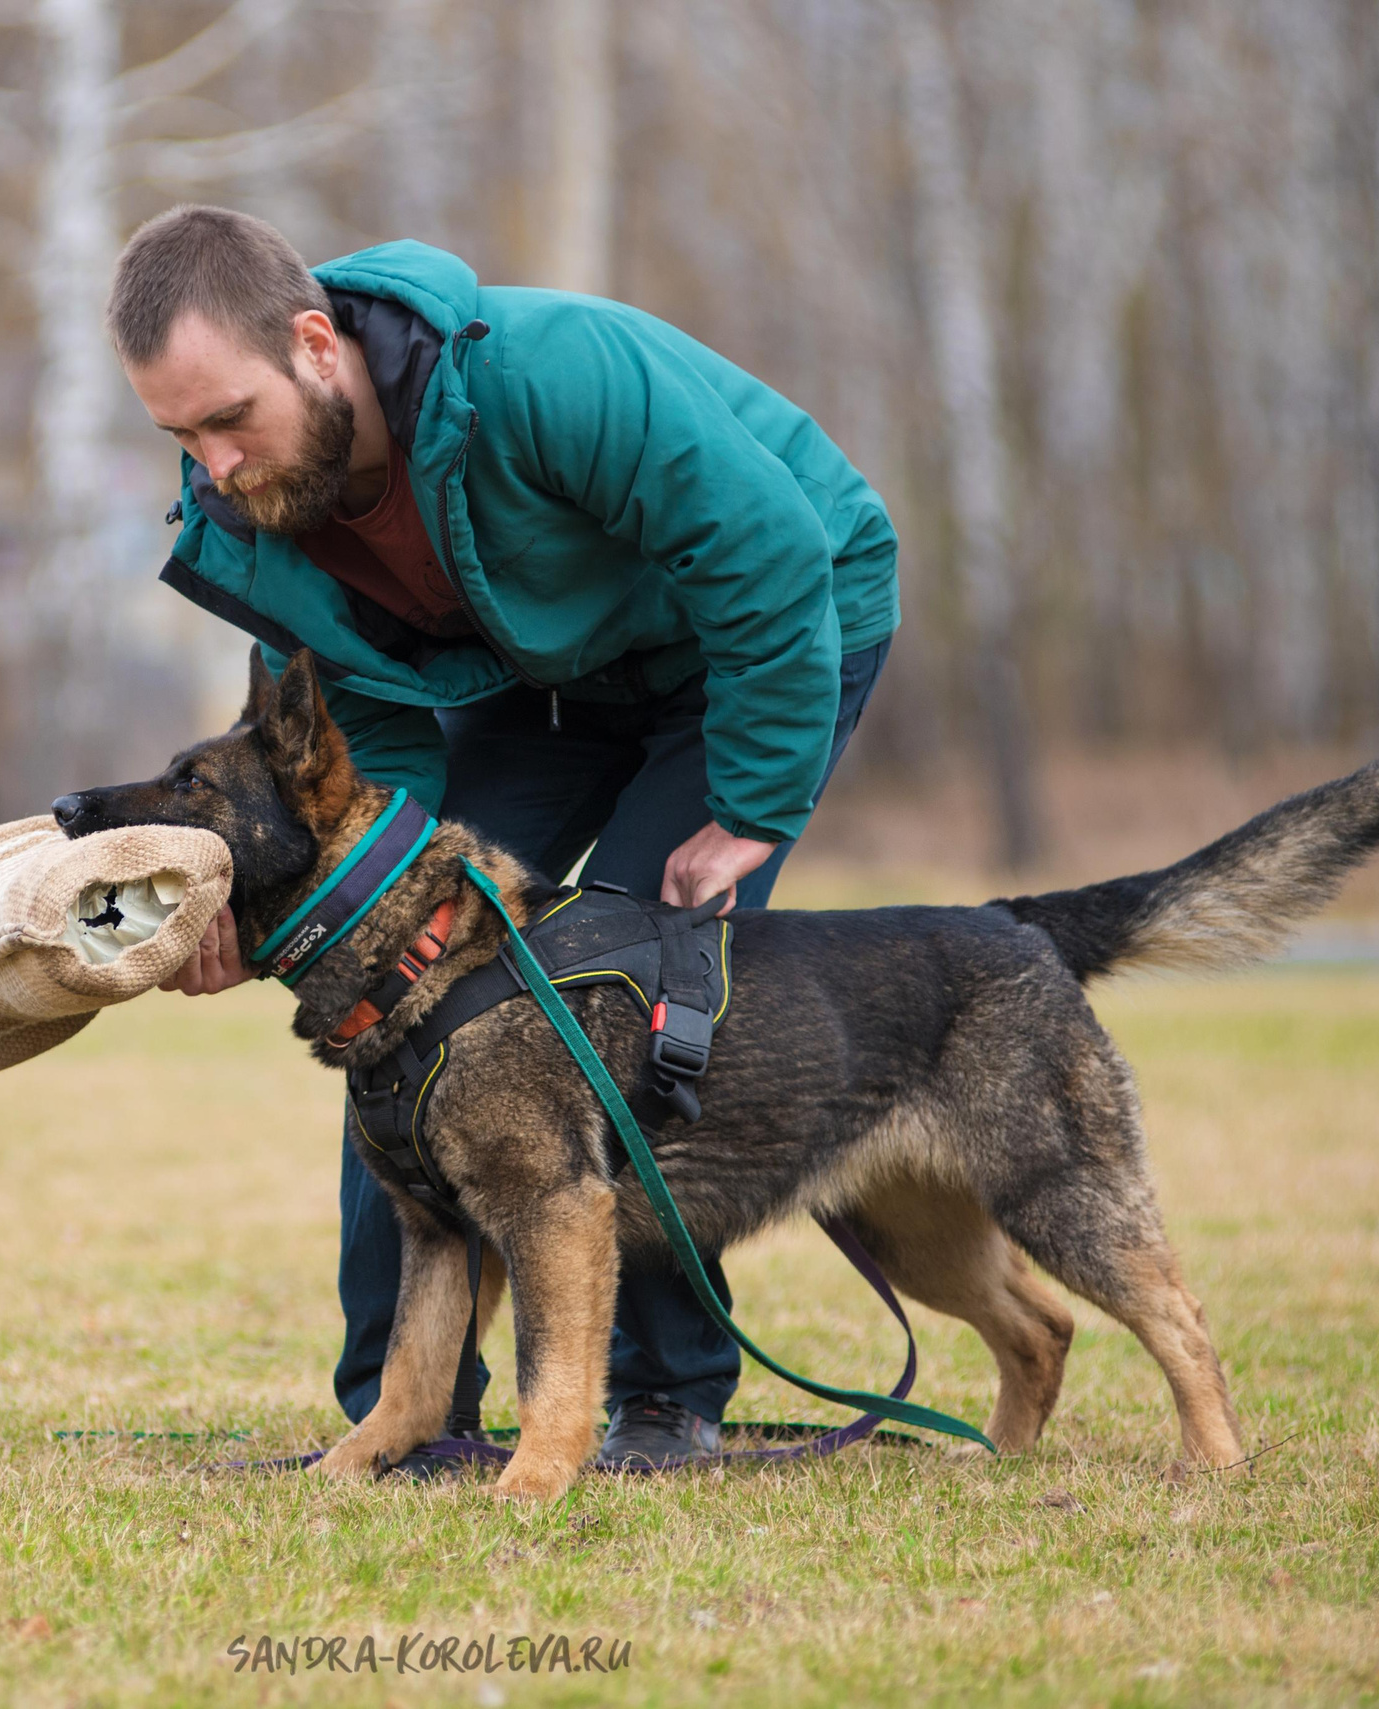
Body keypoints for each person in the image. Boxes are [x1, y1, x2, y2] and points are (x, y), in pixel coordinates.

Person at [105, 205, 898, 1469]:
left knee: (615, 992)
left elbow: (768, 552)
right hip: (551, 679)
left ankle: (660, 1394)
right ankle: (405, 1412)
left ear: (316, 345)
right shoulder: (264, 528)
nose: (214, 468)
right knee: (401, 990)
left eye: (227, 418)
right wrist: (281, 925)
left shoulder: (544, 372)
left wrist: (750, 803)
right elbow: (370, 790)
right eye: (179, 437)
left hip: (765, 630)